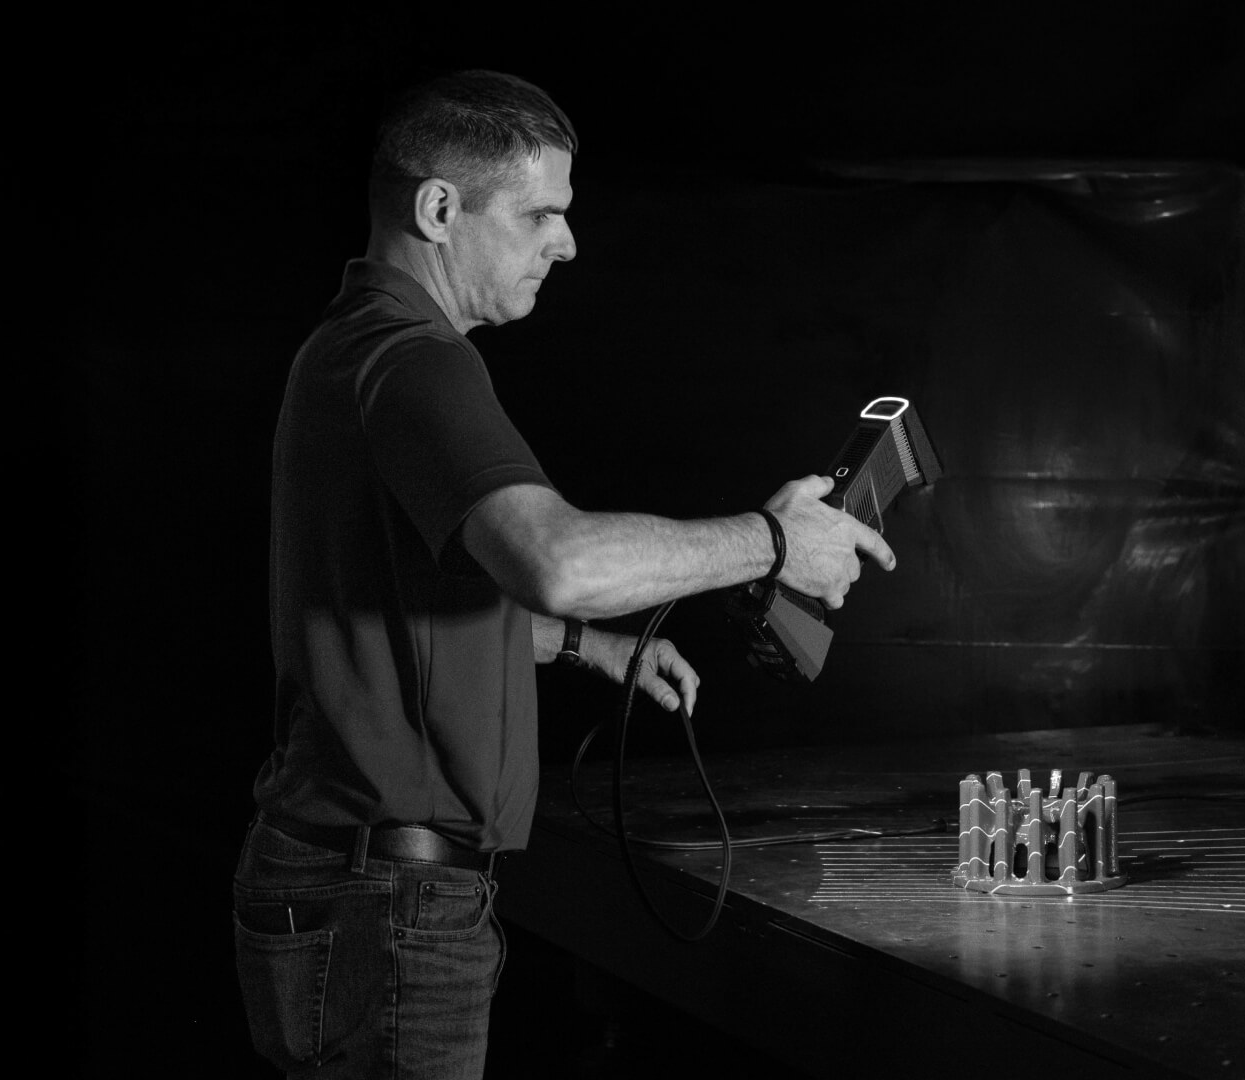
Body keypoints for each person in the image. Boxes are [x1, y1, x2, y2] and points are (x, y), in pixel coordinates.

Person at [231, 69, 893, 1079]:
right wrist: (773, 540)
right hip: (387, 908)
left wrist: (588, 645)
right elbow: (557, 560)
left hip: (351, 892)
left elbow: (387, 608)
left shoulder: (349, 350)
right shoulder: (414, 361)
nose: (568, 242)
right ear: (439, 208)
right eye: (543, 213)